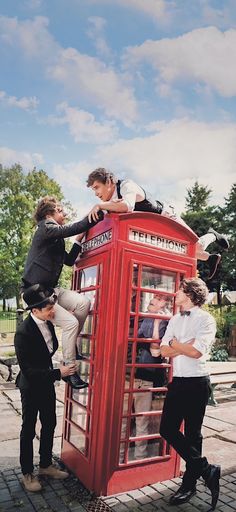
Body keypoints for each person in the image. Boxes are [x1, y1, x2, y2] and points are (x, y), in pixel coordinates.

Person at [86, 168, 229, 280]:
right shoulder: (110, 200)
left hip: (166, 216)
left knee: (195, 245)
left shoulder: (126, 185)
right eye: (93, 190)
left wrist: (101, 205)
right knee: (181, 252)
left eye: (97, 187)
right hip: (151, 227)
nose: (95, 193)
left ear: (109, 182)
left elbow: (128, 206)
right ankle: (210, 258)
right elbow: (91, 219)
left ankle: (212, 235)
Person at [21, 196, 103, 389]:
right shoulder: (45, 228)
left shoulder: (54, 237)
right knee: (71, 323)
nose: (64, 213)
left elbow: (68, 261)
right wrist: (94, 215)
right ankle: (69, 369)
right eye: (60, 210)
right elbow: (70, 228)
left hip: (50, 289)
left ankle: (71, 344)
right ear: (50, 214)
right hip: (36, 294)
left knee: (83, 303)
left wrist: (78, 241)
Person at [159, 277, 220, 510]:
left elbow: (196, 352)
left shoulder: (207, 320)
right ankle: (206, 468)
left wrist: (177, 345)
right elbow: (163, 351)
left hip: (198, 383)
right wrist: (179, 345)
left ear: (191, 294)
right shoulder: (174, 318)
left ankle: (189, 484)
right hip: (178, 381)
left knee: (194, 434)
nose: (176, 292)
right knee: (167, 429)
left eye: (180, 290)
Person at [14, 284, 74, 492]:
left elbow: (48, 351)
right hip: (30, 387)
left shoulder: (47, 322)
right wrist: (59, 373)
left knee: (49, 424)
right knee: (28, 430)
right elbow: (29, 371)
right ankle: (27, 473)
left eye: (52, 306)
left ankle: (46, 465)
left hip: (46, 383)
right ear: (35, 311)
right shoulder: (23, 333)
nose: (53, 311)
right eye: (49, 308)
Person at [120, 294, 169, 462]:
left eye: (158, 299)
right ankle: (119, 457)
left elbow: (156, 348)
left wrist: (156, 322)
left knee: (142, 423)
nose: (152, 300)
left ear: (164, 304)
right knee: (122, 423)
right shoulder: (143, 318)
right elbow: (131, 337)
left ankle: (140, 457)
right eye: (153, 298)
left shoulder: (166, 322)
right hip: (128, 376)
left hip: (146, 378)